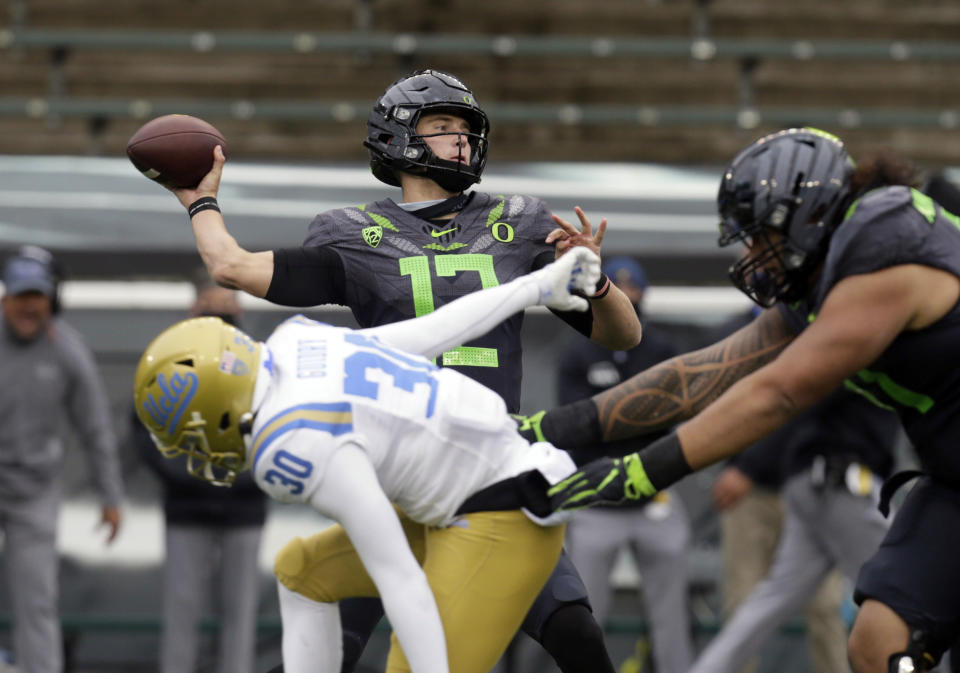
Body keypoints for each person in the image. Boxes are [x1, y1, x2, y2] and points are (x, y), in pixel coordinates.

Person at [155, 68, 641, 673]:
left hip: (491, 465)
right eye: (442, 127)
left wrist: (595, 282)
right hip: (395, 473)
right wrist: (200, 199)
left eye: (466, 128)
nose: (461, 140)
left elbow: (623, 334)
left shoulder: (517, 221)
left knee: (578, 636)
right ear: (398, 140)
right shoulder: (357, 235)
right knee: (332, 647)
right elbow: (231, 267)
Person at [518, 127, 960, 672]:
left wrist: (641, 472)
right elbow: (699, 375)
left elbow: (778, 392)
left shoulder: (888, 243)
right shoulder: (838, 266)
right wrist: (547, 429)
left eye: (758, 236)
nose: (753, 255)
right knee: (878, 641)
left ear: (804, 216)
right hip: (951, 480)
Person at [133, 247, 602, 673]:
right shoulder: (295, 342)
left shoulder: (291, 445)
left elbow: (400, 580)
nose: (199, 450)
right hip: (469, 486)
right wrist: (535, 287)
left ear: (217, 406)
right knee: (301, 571)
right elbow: (432, 331)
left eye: (193, 436)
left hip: (501, 514)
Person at [692, 385, 900, 673]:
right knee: (903, 591)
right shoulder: (861, 343)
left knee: (777, 600)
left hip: (809, 482)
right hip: (839, 481)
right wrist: (750, 466)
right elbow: (798, 398)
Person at [554, 256, 695, 673]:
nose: (628, 295)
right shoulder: (578, 352)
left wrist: (614, 420)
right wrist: (629, 418)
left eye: (634, 289)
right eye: (620, 287)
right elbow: (575, 422)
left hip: (653, 492)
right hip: (597, 500)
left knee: (671, 615)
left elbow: (668, 415)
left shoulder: (662, 350)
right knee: (582, 611)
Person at [131, 267, 267, 673]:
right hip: (187, 508)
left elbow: (276, 425)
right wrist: (197, 474)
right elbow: (144, 426)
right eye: (212, 300)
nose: (220, 310)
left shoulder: (260, 356)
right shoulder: (170, 356)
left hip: (244, 509)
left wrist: (236, 476)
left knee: (240, 616)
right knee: (182, 611)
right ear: (194, 304)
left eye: (228, 300)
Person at [0, 246, 123, 673]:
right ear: (5, 299)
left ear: (52, 300)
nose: (30, 306)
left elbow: (96, 430)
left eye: (38, 296)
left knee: (36, 601)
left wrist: (111, 498)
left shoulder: (69, 351)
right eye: (21, 295)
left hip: (34, 493)